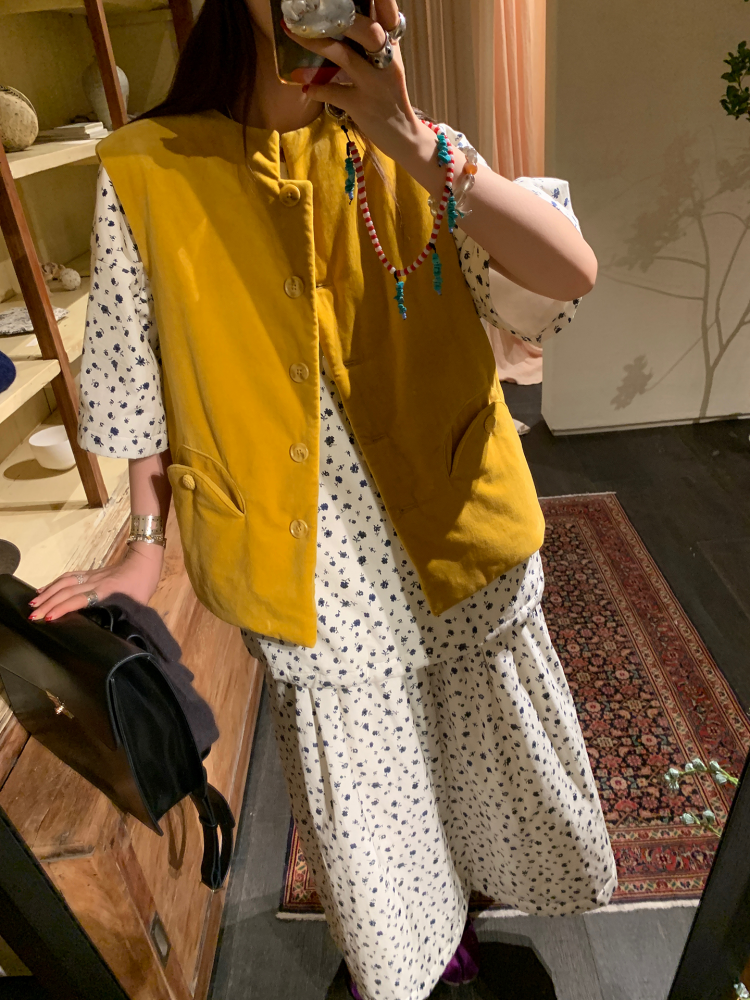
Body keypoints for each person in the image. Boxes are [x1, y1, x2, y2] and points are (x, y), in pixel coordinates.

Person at [34, 1, 617, 996]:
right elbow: (137, 377)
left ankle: (466, 943)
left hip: (459, 538)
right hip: (312, 582)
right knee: (378, 826)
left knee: (484, 777)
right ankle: (420, 963)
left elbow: (570, 272)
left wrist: (408, 137)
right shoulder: (149, 169)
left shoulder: (414, 149)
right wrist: (143, 543)